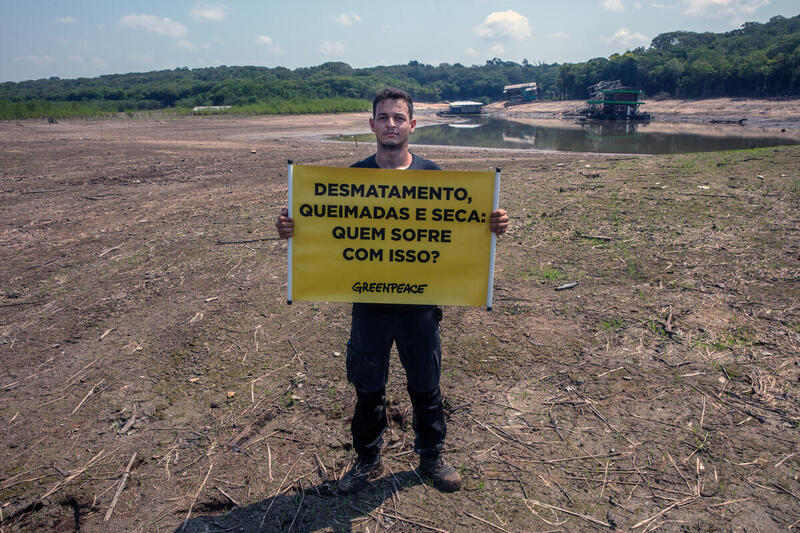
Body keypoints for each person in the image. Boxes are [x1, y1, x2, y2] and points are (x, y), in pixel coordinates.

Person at [276, 88, 509, 494]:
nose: (391, 125)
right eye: (383, 117)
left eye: (399, 118)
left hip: (420, 305)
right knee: (368, 390)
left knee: (427, 386)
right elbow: (322, 225)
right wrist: (292, 228)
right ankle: (367, 460)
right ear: (372, 125)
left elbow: (462, 228)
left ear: (412, 125)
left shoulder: (434, 178)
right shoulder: (351, 178)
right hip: (370, 305)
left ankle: (431, 456)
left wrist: (492, 226)